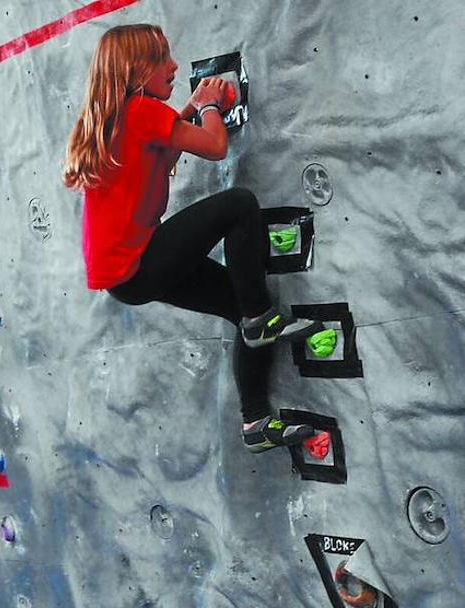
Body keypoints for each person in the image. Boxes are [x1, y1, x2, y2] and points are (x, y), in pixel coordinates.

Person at [63, 24, 323, 453]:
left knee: (238, 306)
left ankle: (256, 420)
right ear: (135, 72)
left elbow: (167, 145)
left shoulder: (127, 118)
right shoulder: (143, 112)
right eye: (162, 59)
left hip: (126, 276)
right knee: (239, 205)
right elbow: (214, 146)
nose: (174, 65)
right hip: (139, 262)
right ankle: (260, 319)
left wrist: (190, 106)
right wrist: (208, 107)